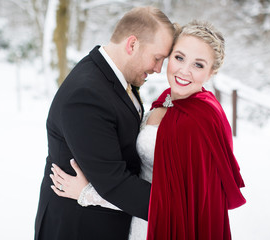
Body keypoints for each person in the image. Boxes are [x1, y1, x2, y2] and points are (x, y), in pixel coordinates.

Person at [50, 20, 246, 240]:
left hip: (163, 229)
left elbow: (180, 207)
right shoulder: (166, 100)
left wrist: (88, 193)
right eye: (179, 57)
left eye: (198, 65)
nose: (184, 70)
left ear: (212, 72)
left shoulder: (198, 122)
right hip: (136, 220)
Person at [34, 6, 178, 240]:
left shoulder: (111, 73)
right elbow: (114, 182)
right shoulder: (86, 95)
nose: (158, 68)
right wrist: (179, 209)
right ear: (132, 44)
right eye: (157, 58)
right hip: (79, 228)